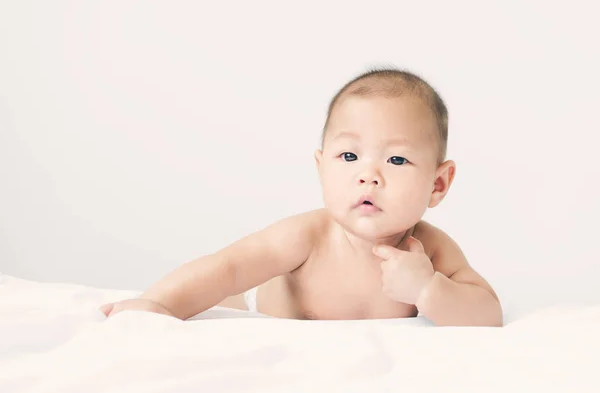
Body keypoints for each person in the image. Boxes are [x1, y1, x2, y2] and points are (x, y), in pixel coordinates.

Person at [100, 68, 503, 326]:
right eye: (349, 156)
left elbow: (488, 312)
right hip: (261, 302)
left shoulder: (430, 251)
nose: (369, 176)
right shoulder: (308, 236)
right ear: (321, 167)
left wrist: (427, 290)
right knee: (233, 289)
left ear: (438, 184)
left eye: (396, 159)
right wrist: (159, 305)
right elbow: (228, 268)